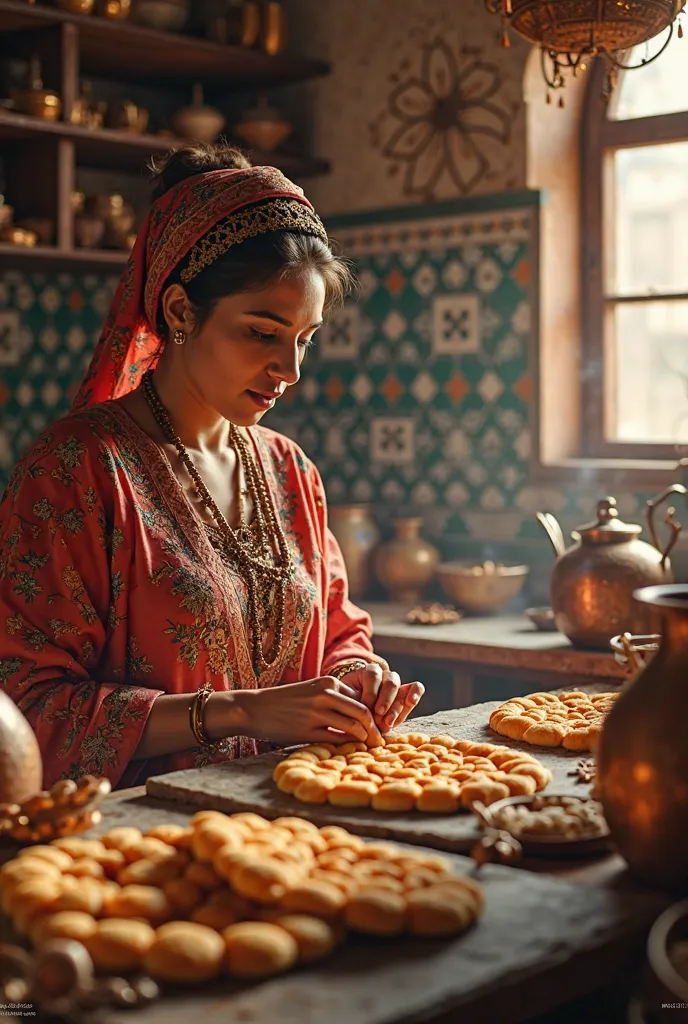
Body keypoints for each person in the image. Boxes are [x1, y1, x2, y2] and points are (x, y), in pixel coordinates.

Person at [0, 145, 424, 789]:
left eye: (304, 339)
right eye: (262, 332)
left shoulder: (289, 472)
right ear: (178, 311)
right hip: (134, 846)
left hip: (297, 825)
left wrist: (354, 674)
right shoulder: (78, 471)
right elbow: (24, 711)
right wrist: (238, 712)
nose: (291, 370)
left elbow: (338, 628)